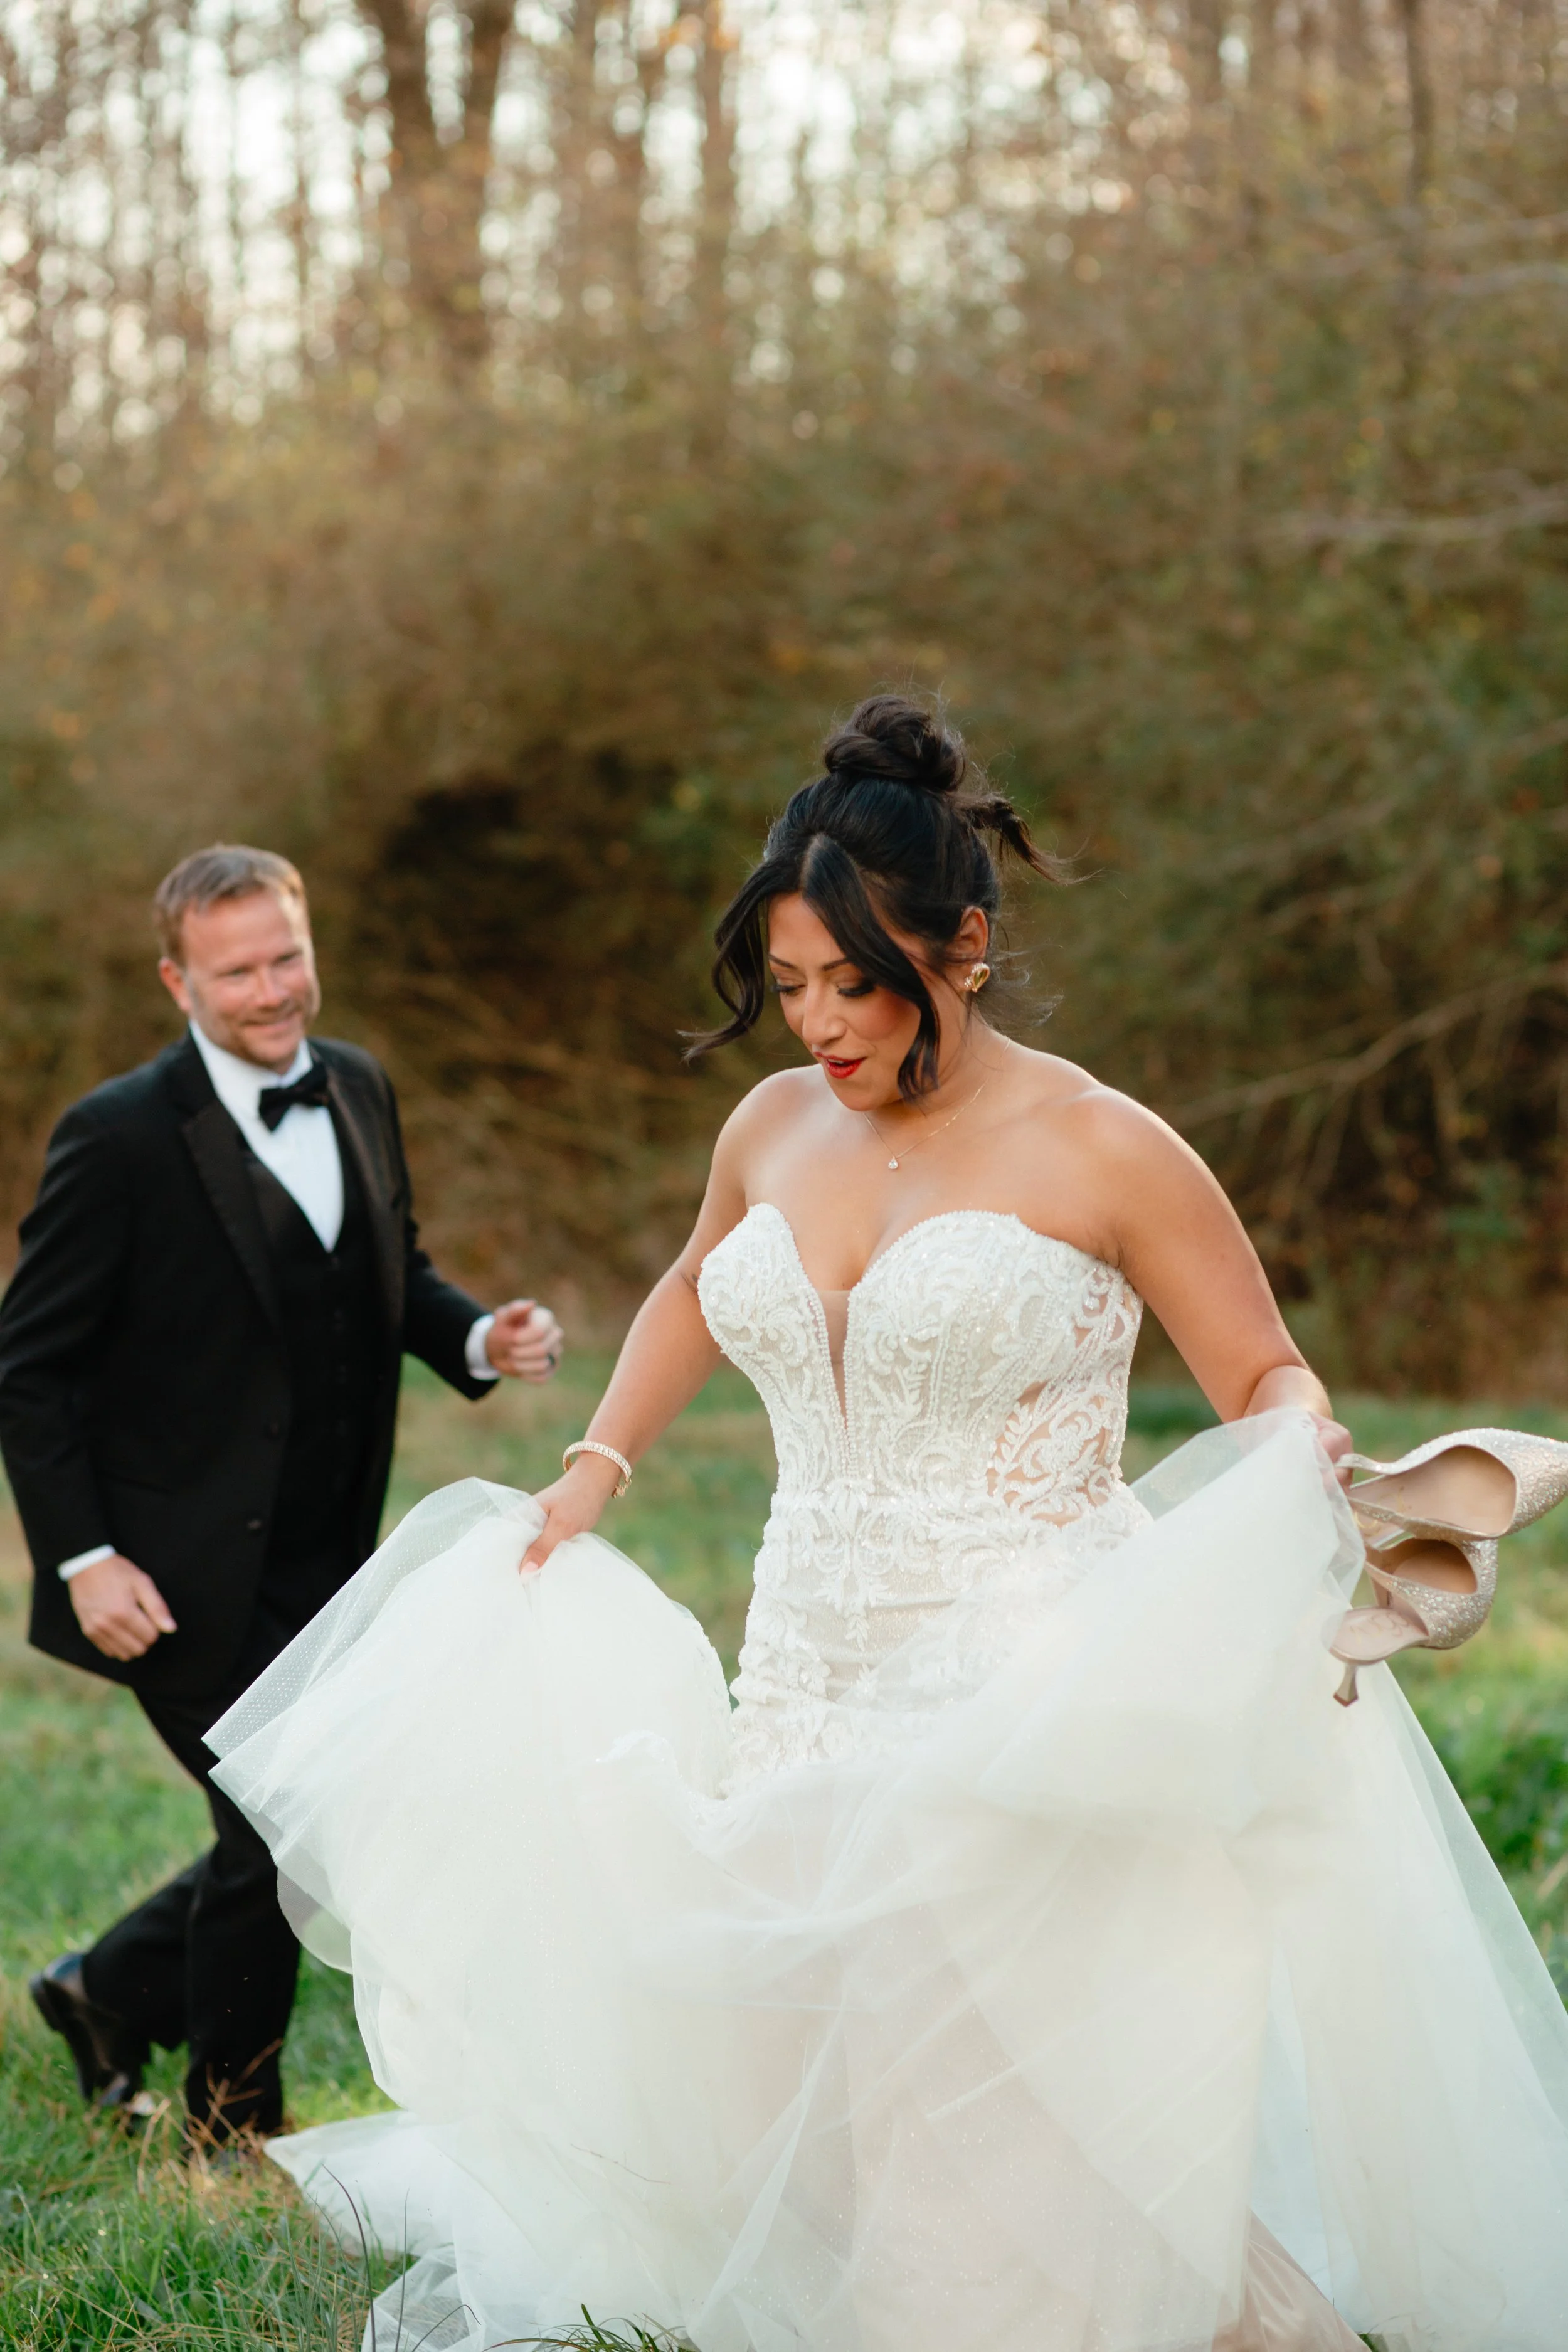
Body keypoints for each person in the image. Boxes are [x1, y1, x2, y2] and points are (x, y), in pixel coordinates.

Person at [210, 705, 1568, 2349]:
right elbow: (689, 1286)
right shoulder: (770, 1126)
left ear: (965, 948)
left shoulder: (1105, 1144)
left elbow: (1261, 1367)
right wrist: (593, 1467)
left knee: (981, 2089)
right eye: (788, 985)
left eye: (851, 984)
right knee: (817, 2066)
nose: (816, 1023)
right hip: (801, 1674)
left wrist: (1303, 1445)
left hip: (1023, 1680)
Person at [0, 844, 563, 2152]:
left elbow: (388, 1266)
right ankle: (230, 2128)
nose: (271, 990)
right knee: (284, 1822)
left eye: (286, 958)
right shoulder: (119, 1137)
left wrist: (475, 1337)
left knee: (309, 1812)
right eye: (237, 971)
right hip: (167, 1568)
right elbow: (27, 1368)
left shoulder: (356, 1083)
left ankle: (104, 1990)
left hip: (325, 1557)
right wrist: (83, 1557)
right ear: (178, 983)